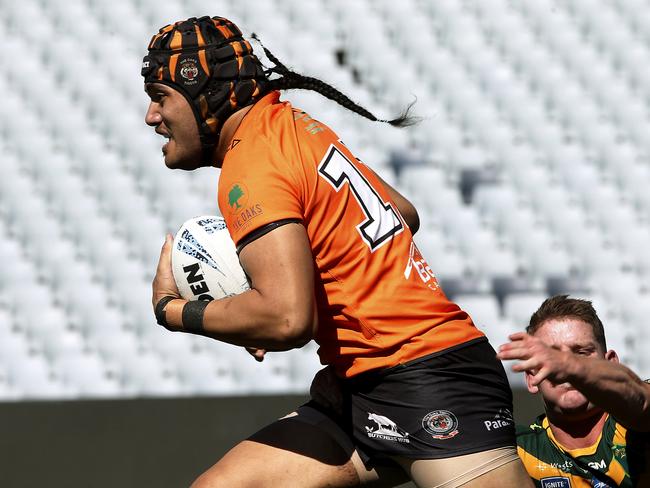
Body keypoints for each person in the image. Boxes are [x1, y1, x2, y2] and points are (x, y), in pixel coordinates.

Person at [143, 15, 534, 488]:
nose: (151, 116)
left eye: (160, 96)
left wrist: (176, 311)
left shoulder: (252, 164)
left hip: (429, 377)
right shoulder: (293, 125)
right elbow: (403, 213)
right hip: (363, 382)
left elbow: (287, 320)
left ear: (202, 92)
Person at [497, 294, 650, 487]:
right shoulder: (517, 452)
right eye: (550, 357)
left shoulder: (637, 411)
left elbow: (641, 400)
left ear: (611, 363)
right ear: (531, 378)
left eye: (581, 353)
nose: (562, 370)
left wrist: (571, 365)